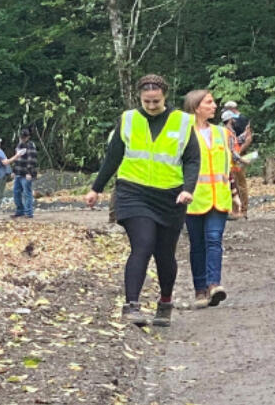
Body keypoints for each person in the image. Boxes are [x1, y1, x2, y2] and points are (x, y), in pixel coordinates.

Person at [85, 74, 199, 327]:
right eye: (146, 101)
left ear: (164, 96)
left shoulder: (182, 121)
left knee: (164, 254)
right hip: (133, 192)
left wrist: (188, 188)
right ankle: (132, 305)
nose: (150, 105)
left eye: (155, 101)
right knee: (143, 243)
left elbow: (192, 159)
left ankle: (165, 302)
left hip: (171, 196)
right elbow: (113, 156)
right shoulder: (128, 120)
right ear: (140, 97)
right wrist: (96, 188)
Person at [185, 90, 234, 307]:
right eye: (209, 102)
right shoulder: (183, 134)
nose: (214, 106)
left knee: (214, 239)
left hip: (219, 198)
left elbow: (228, 166)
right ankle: (200, 290)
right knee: (197, 245)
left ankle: (214, 285)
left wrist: (235, 194)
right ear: (196, 107)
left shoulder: (223, 133)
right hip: (193, 199)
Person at [221, 100, 253, 219]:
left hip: (234, 162)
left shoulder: (230, 131)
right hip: (233, 162)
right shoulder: (228, 132)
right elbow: (232, 149)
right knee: (237, 184)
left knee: (237, 184)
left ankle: (239, 210)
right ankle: (237, 210)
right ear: (230, 120)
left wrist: (246, 133)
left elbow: (237, 141)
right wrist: (242, 159)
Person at [12, 127, 38, 218]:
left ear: (28, 137)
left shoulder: (30, 146)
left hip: (26, 174)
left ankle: (28, 213)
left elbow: (32, 160)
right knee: (16, 192)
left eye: (24, 137)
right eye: (21, 137)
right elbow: (16, 159)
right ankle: (20, 210)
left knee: (27, 193)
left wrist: (29, 173)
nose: (22, 139)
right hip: (18, 173)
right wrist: (14, 171)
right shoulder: (19, 145)